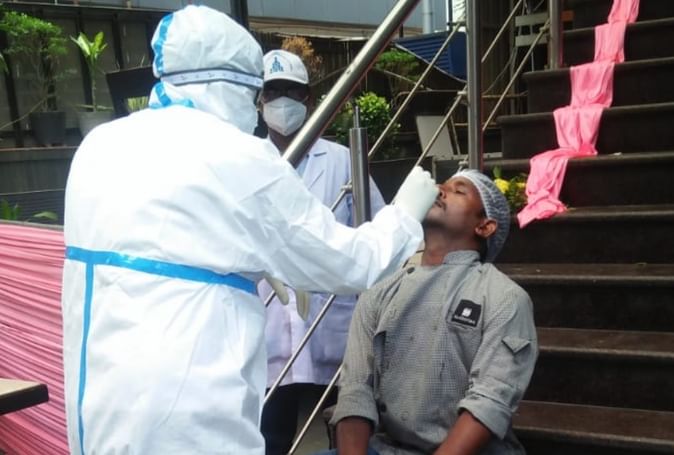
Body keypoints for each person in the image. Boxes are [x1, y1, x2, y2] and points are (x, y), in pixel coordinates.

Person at [60, 6, 439, 455]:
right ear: (238, 88)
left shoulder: (100, 145)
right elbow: (351, 263)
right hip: (185, 406)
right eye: (259, 93)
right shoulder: (238, 156)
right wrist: (404, 216)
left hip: (99, 400)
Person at [326, 170, 538, 455]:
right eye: (441, 185)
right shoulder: (378, 292)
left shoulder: (504, 297)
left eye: (458, 190)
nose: (438, 190)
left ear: (485, 226)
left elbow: (489, 401)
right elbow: (355, 390)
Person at [258, 49, 387, 455]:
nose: (281, 101)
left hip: (333, 324)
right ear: (259, 100)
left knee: (344, 428)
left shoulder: (342, 160)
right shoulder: (248, 163)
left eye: (291, 91)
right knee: (271, 436)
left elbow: (373, 229)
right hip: (269, 327)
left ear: (309, 99)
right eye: (272, 91)